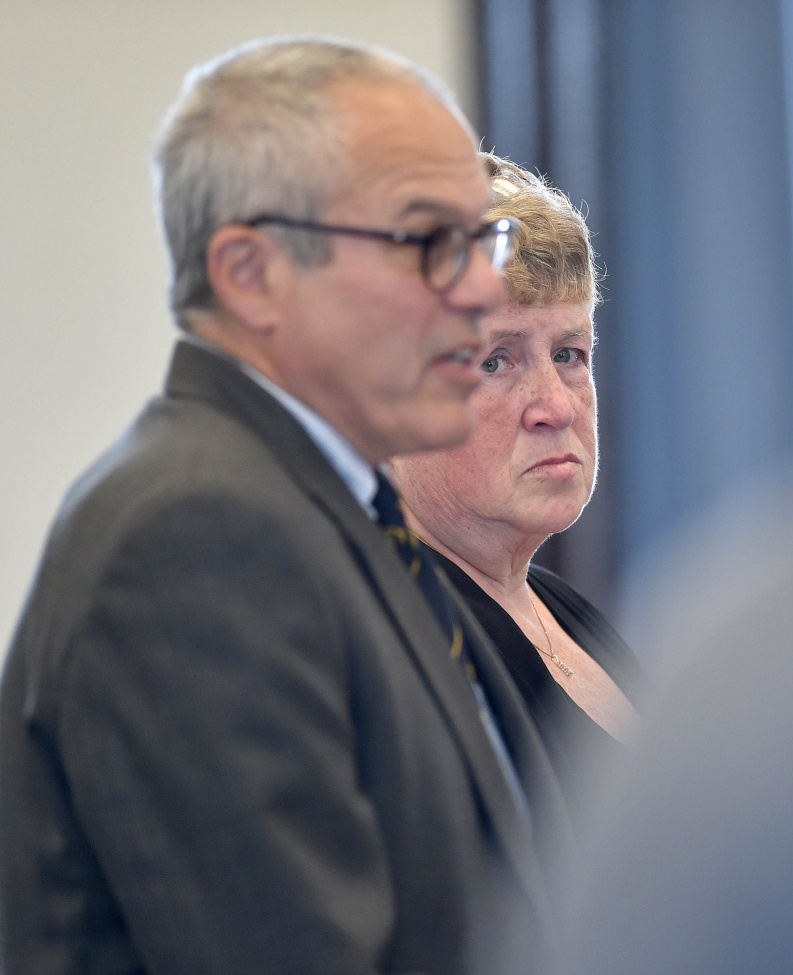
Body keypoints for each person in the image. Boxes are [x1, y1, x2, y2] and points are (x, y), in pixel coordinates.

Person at [0, 39, 567, 975]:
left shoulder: (329, 512)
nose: (476, 290)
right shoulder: (196, 536)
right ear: (252, 274)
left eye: (480, 241)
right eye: (428, 242)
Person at [390, 154, 647, 820]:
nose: (555, 405)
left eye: (568, 353)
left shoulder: (565, 611)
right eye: (496, 360)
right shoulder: (397, 648)